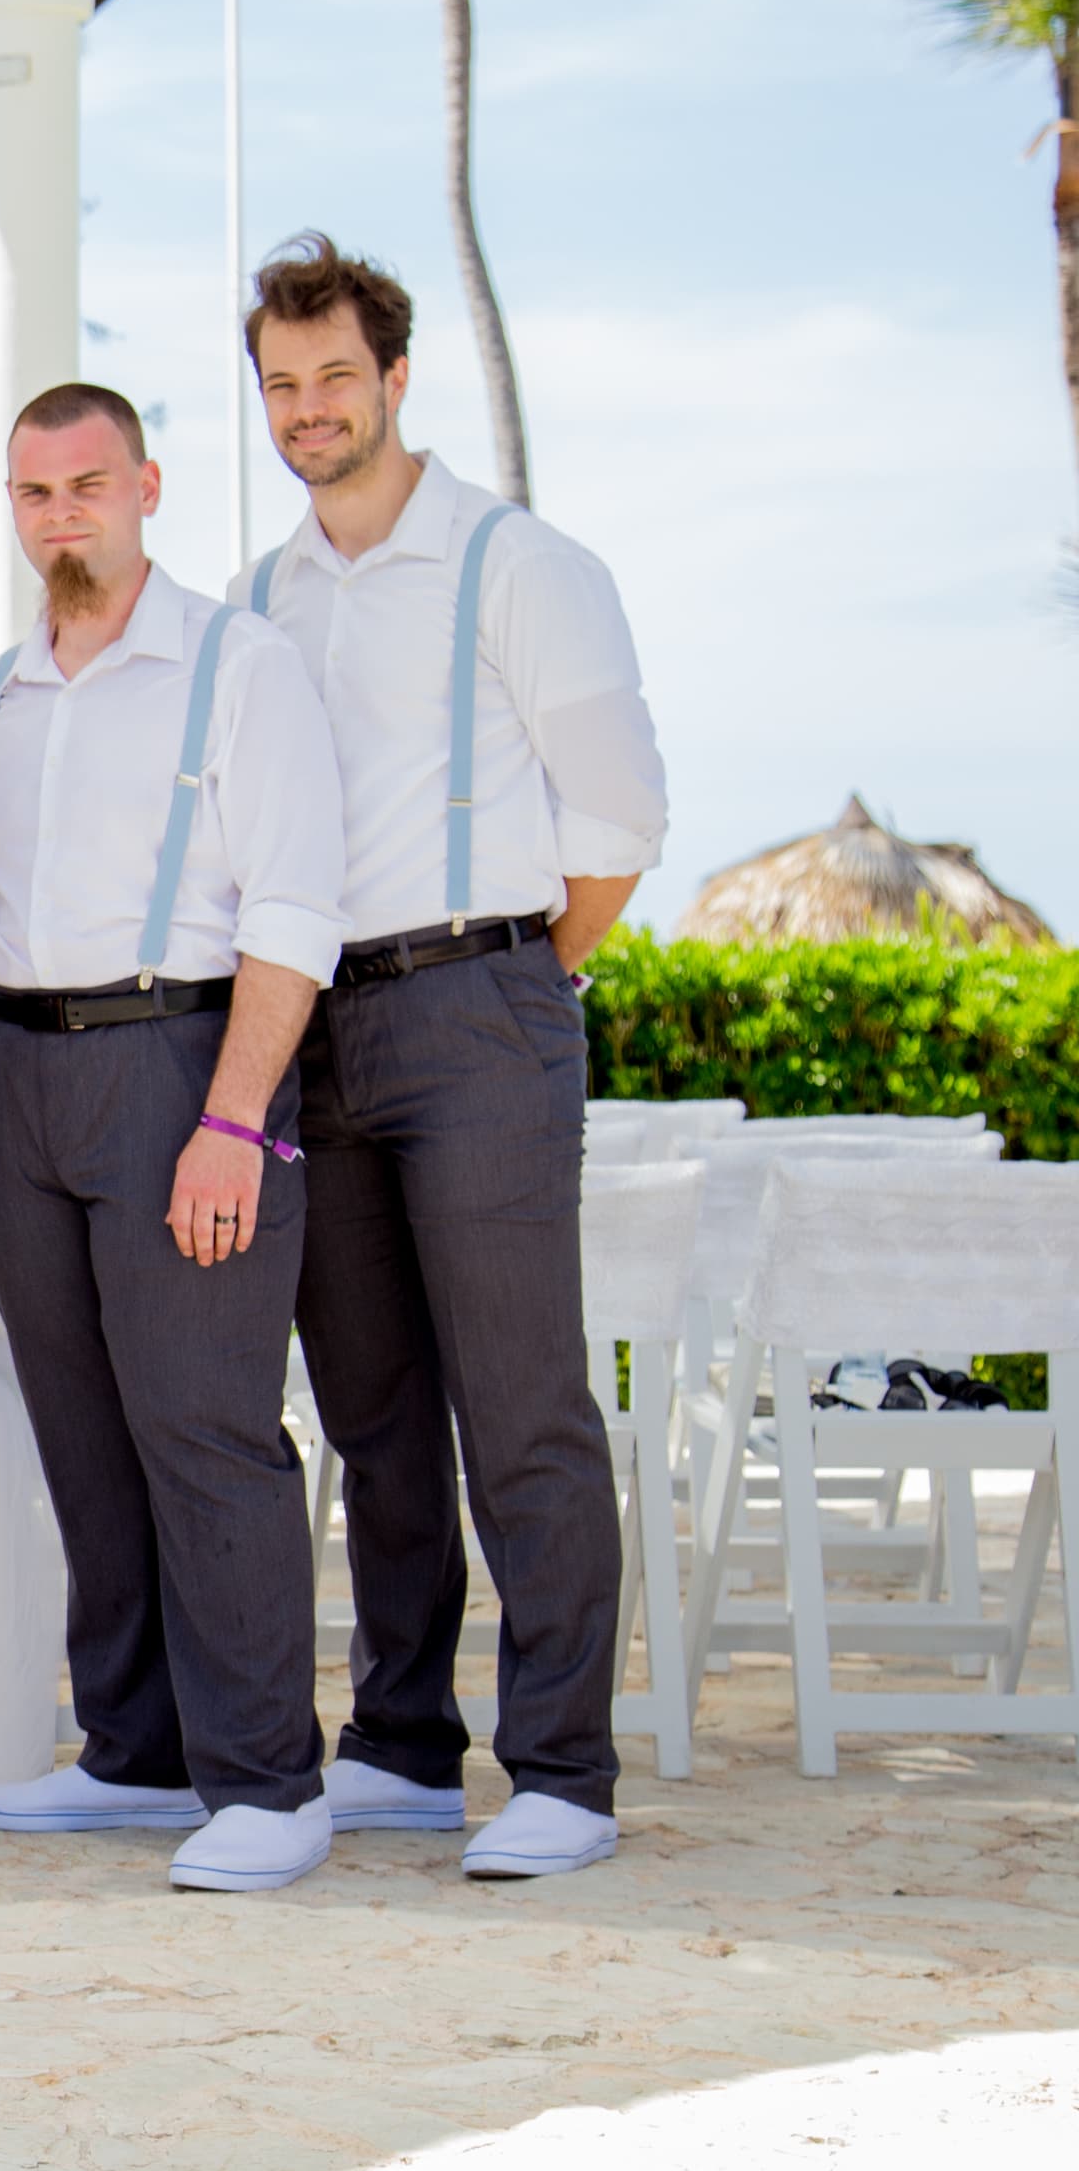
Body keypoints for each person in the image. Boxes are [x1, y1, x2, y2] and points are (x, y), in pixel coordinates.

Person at [229, 236, 667, 1882]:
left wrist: (511, 987)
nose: (309, 409)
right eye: (280, 385)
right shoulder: (263, 597)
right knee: (373, 1405)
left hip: (480, 1003)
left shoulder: (519, 564)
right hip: (309, 1023)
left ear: (396, 377)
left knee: (521, 1396)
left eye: (335, 375)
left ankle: (560, 1767)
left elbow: (619, 822)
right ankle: (403, 1746)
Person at [0, 385, 350, 1895]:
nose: (64, 515)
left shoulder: (238, 668)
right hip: (17, 1069)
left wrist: (233, 1117)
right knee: (81, 1424)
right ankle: (136, 1755)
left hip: (180, 1063)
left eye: (89, 486)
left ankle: (269, 1783)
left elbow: (295, 910)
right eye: (36, 493)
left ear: (149, 487)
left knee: (204, 1421)